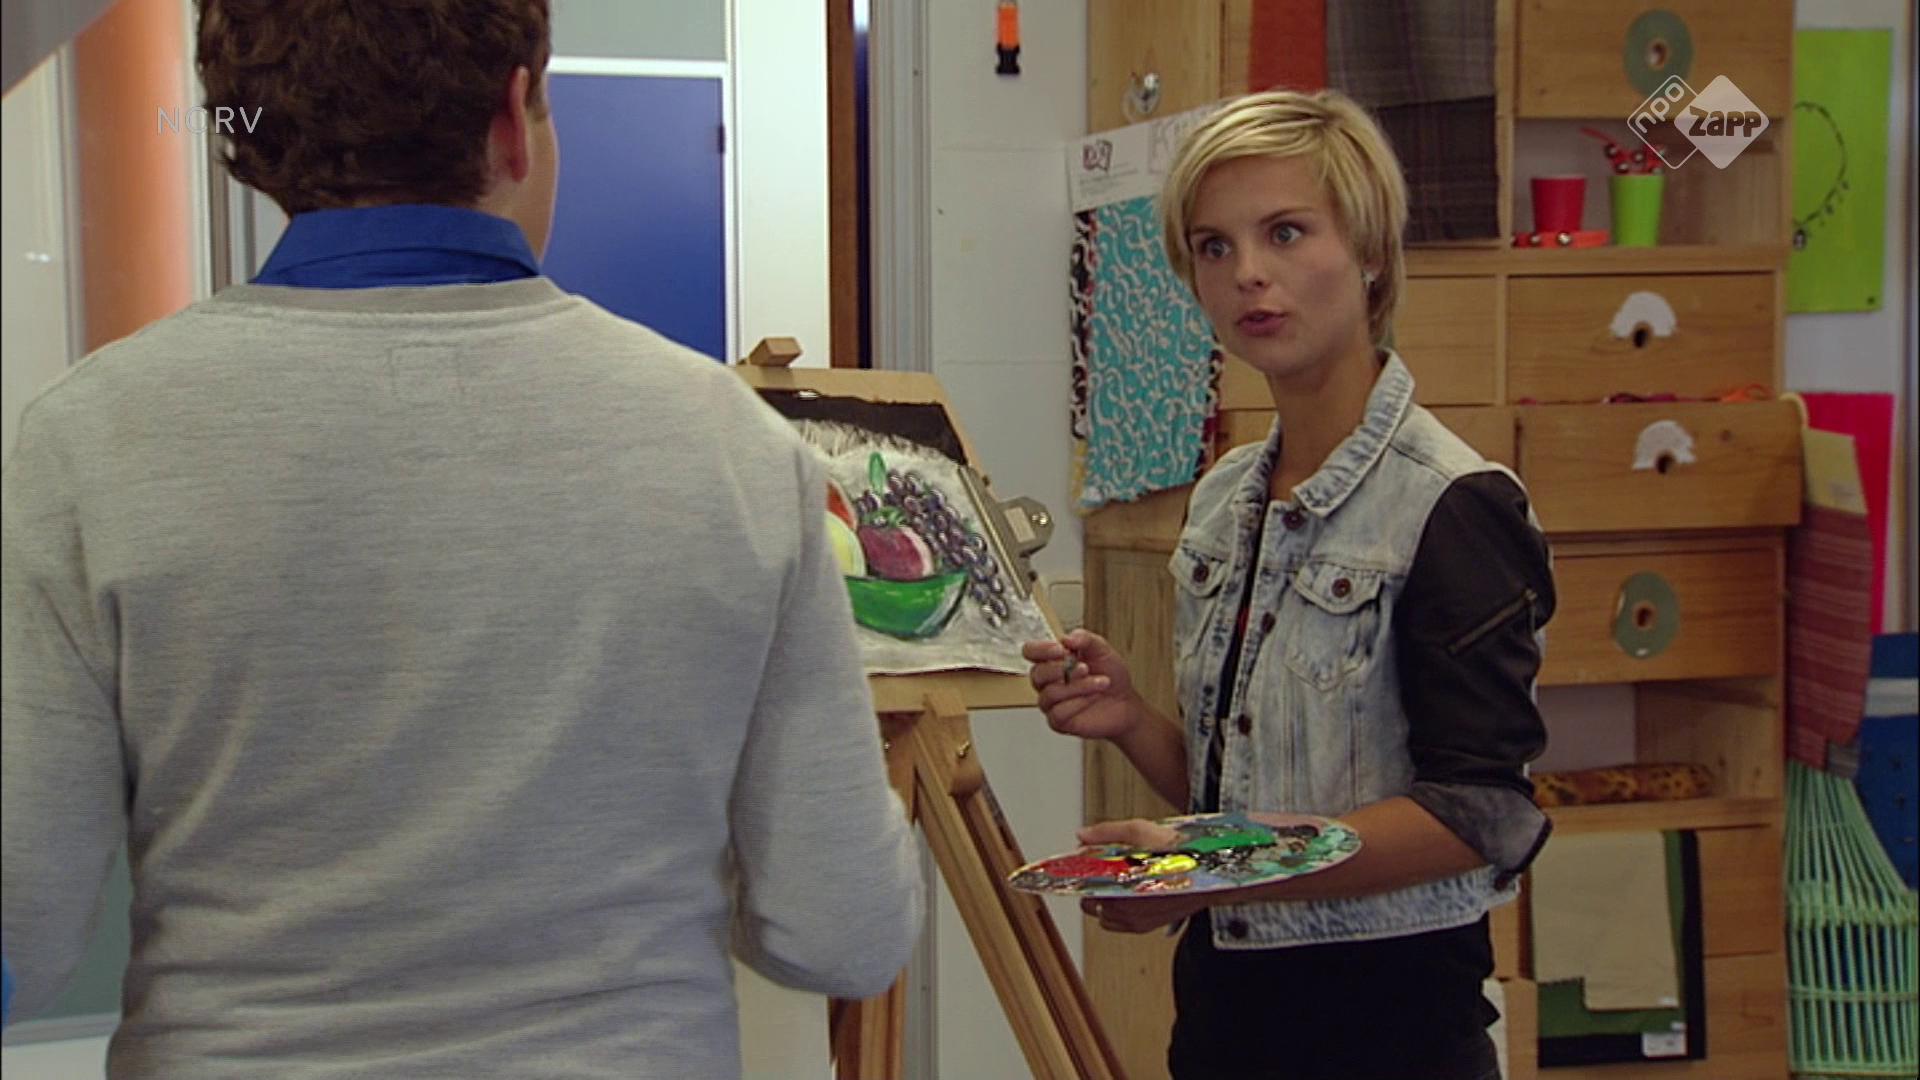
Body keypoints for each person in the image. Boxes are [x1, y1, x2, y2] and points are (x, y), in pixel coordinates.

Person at [0, 2, 920, 1076]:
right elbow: (842, 930)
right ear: (514, 118)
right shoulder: (734, 449)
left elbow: (23, 926)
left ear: (249, 136)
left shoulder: (90, 440)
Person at [1025, 89, 1556, 1080]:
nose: (1248, 275)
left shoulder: (1453, 503)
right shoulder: (1226, 498)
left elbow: (1478, 813)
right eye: (1213, 247)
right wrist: (1132, 720)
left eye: (1284, 232)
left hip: (1391, 1035)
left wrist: (1215, 868)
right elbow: (1241, 791)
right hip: (1223, 1022)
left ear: (1369, 251)